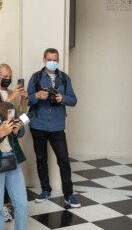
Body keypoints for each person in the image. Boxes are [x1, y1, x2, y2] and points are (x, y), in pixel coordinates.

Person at [27, 48, 80, 207]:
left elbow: (74, 100)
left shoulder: (64, 78)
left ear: (58, 61)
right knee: (41, 159)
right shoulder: (36, 77)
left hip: (57, 127)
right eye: (49, 59)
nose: (52, 62)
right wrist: (37, 96)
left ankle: (69, 194)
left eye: (55, 60)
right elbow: (26, 100)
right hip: (37, 126)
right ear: (44, 60)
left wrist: (63, 98)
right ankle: (45, 190)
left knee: (63, 160)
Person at [0, 63, 28, 222]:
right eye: (5, 77)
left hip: (12, 156)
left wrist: (17, 129)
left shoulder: (9, 102)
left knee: (22, 205)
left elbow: (17, 118)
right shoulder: (8, 99)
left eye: (9, 77)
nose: (8, 79)